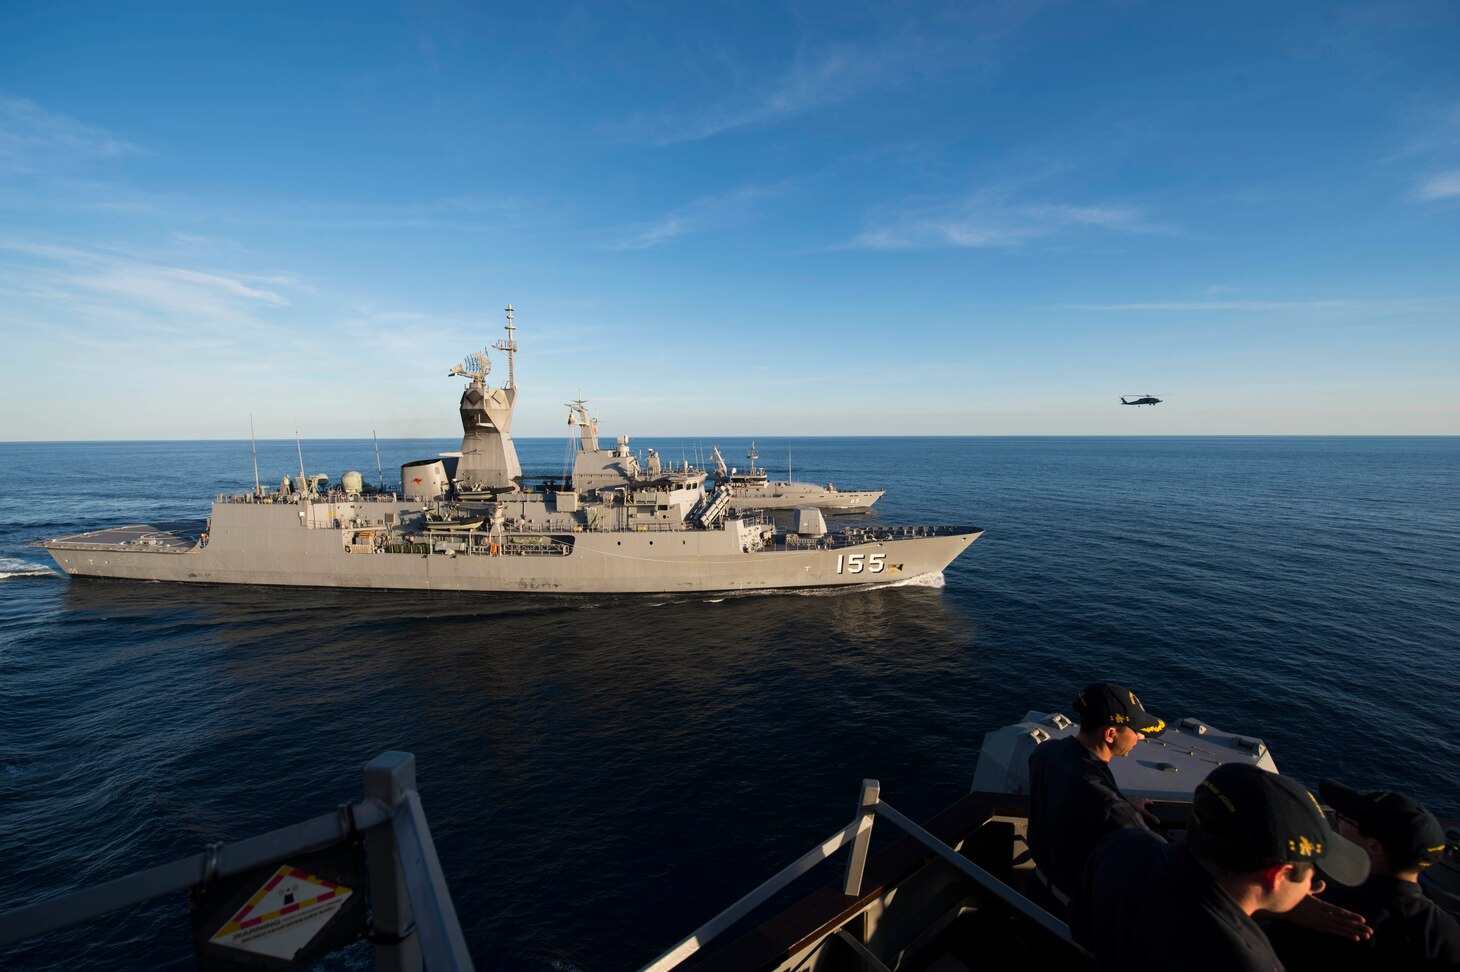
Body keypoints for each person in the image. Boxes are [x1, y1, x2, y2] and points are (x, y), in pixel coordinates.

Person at [1071, 762, 1371, 971]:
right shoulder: (1251, 961)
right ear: (1277, 876)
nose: (1316, 887)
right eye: (1312, 873)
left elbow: (1081, 928)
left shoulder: (1123, 846)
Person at [1267, 778, 1460, 970]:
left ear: (1374, 847)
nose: (1335, 821)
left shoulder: (1318, 912)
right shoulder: (1448, 932)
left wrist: (1277, 906)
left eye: (1342, 818)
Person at [1025, 681, 1167, 915]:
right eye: (1136, 731)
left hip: (1036, 891)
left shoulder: (1044, 753)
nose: (1141, 737)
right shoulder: (1111, 808)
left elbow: (1074, 790)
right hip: (1071, 915)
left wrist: (1119, 798)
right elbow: (1157, 869)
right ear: (1111, 734)